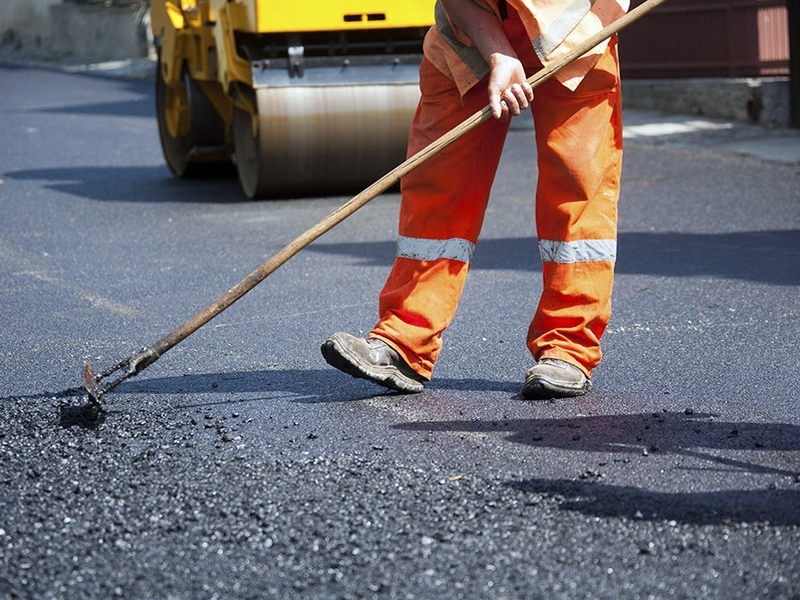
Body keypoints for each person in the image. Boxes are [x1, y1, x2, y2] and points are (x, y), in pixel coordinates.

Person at [321, 0, 629, 399]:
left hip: (577, 33)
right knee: (436, 183)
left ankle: (568, 348)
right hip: (467, 35)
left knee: (577, 186)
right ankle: (404, 341)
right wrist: (497, 52)